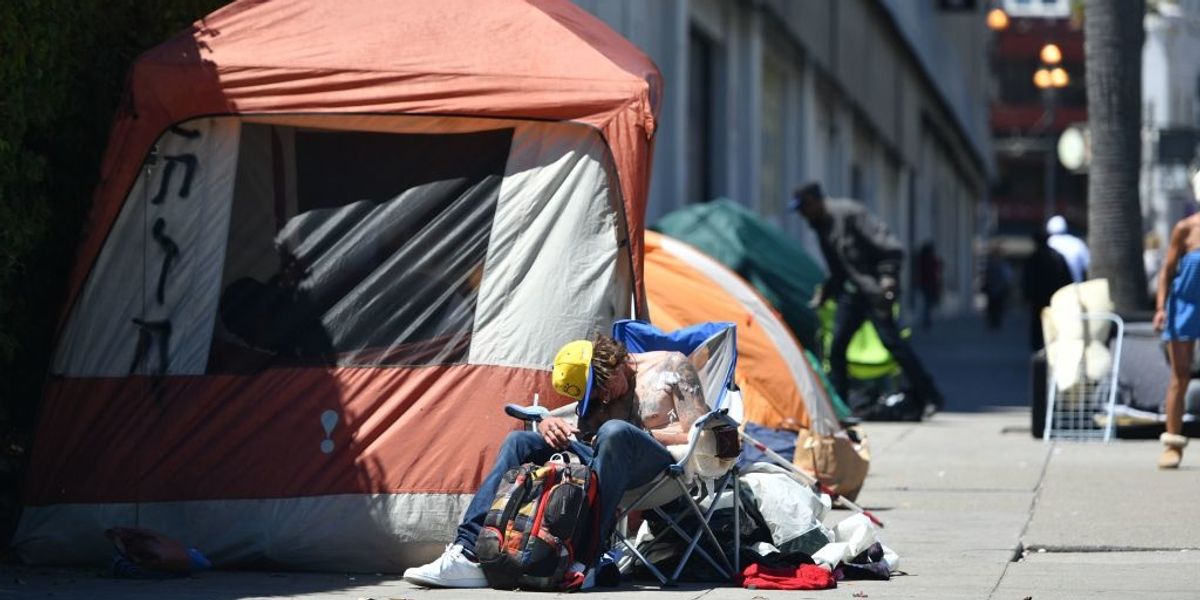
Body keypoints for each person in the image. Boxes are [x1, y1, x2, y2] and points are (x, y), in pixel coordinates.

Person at [402, 334, 709, 587]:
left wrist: (640, 433)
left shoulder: (670, 366)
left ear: (613, 365)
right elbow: (584, 431)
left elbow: (702, 433)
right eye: (595, 395)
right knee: (520, 441)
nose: (603, 399)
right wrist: (549, 421)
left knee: (615, 431)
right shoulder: (601, 398)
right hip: (606, 462)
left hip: (660, 467)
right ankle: (468, 551)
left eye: (602, 389)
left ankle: (586, 559)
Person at [790, 182, 944, 414]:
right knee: (837, 348)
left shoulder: (849, 213)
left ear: (815, 201)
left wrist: (887, 279)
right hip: (852, 294)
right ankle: (840, 407)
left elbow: (890, 247)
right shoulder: (821, 225)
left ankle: (930, 396)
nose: (802, 215)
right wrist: (826, 292)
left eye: (803, 208)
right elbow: (840, 268)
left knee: (893, 344)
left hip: (875, 292)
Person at [1153, 212, 1200, 469]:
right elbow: (1167, 270)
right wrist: (1161, 307)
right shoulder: (1186, 228)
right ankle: (1172, 444)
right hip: (1185, 306)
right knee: (1180, 376)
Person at [1021, 231, 1073, 351]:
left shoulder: (1033, 258)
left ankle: (1039, 349)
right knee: (1054, 324)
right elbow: (1067, 279)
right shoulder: (1058, 256)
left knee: (1038, 325)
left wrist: (1027, 296)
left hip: (1038, 299)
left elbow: (1027, 280)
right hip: (1055, 298)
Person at [1046, 215, 1090, 283]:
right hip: (1075, 288)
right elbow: (1088, 266)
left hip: (1054, 289)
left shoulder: (1048, 243)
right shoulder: (1077, 242)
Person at [982, 245, 1014, 330]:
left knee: (997, 307)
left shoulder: (998, 264)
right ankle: (994, 323)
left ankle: (995, 323)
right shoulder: (993, 264)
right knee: (994, 307)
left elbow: (1006, 277)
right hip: (995, 289)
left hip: (998, 289)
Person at [914, 242, 943, 330]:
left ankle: (926, 321)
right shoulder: (929, 260)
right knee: (928, 304)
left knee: (927, 304)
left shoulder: (921, 260)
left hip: (925, 284)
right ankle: (926, 321)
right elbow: (936, 271)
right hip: (929, 284)